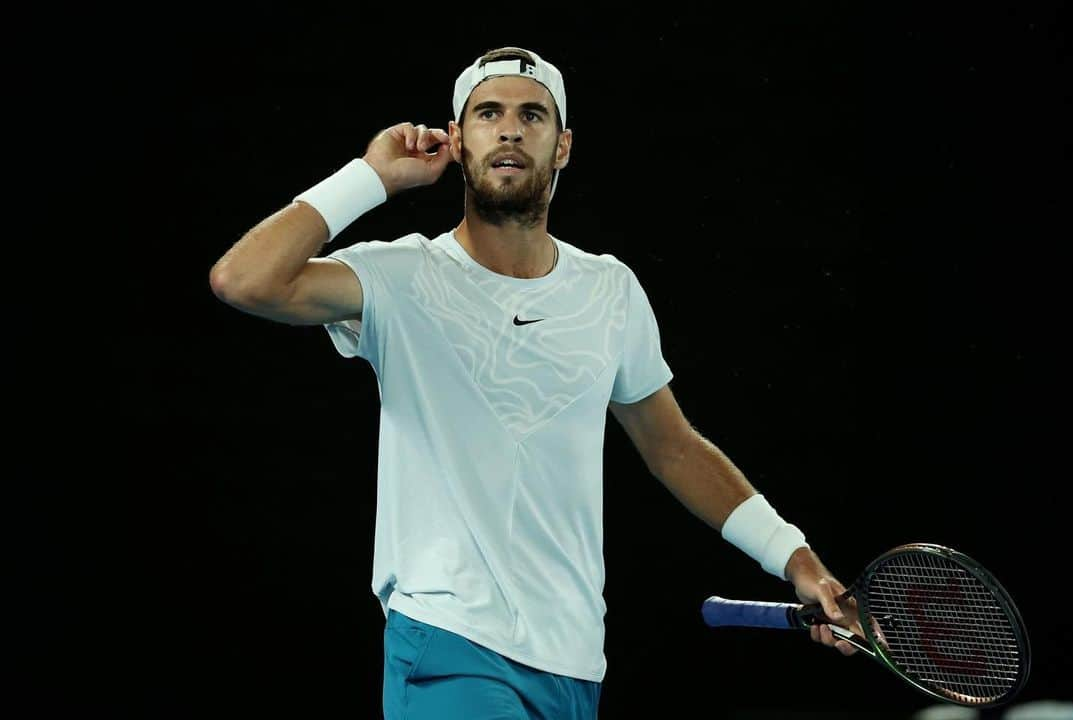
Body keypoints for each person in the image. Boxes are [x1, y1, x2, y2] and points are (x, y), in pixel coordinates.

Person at [209, 46, 860, 720]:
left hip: (573, 663)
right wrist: (370, 178)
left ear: (564, 146)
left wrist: (796, 558)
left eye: (532, 115)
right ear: (458, 142)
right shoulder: (400, 277)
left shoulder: (610, 290)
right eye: (488, 113)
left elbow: (675, 449)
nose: (511, 129)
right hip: (449, 642)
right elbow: (244, 280)